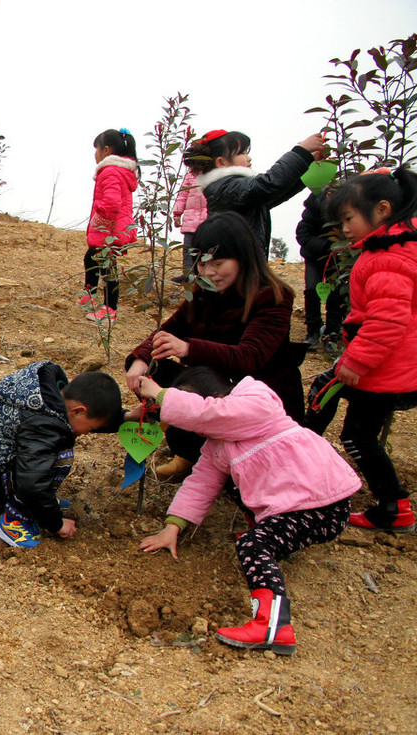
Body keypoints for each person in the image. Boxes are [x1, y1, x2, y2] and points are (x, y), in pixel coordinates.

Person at [137, 368, 360, 655]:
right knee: (240, 499)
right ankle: (275, 547)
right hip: (293, 505)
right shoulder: (219, 443)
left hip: (322, 502)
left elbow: (210, 414)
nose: (198, 428)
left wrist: (160, 395)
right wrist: (173, 526)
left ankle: (272, 626)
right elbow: (201, 483)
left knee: (253, 544)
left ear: (216, 399)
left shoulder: (256, 401)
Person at [125, 212, 304, 482]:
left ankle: (232, 464)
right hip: (213, 391)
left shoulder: (272, 297)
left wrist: (188, 349)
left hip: (259, 402)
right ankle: (191, 454)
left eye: (218, 263)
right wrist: (140, 358)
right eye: (202, 264)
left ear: (244, 257)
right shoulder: (203, 293)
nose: (208, 272)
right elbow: (168, 330)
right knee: (155, 370)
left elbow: (251, 356)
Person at [321, 166, 417, 532]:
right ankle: (394, 505)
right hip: (390, 363)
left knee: (357, 436)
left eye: (348, 218)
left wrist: (356, 361)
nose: (344, 228)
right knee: (357, 432)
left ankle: (393, 507)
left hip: (385, 369)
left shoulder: (388, 258)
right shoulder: (395, 248)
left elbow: (388, 321)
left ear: (381, 210)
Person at [0, 362, 123, 548]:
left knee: (46, 455)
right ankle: (14, 520)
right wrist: (56, 523)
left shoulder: (47, 394)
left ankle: (39, 504)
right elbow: (32, 482)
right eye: (92, 428)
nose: (88, 433)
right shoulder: (43, 423)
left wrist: (127, 417)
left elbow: (88, 416)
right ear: (78, 411)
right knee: (60, 456)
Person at [184, 128, 326, 256]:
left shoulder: (230, 188)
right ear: (222, 162)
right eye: (242, 153)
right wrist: (300, 152)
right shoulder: (227, 188)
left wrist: (307, 163)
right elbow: (270, 184)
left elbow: (276, 193)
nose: (249, 157)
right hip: (240, 268)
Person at [81, 128, 139, 322]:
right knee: (91, 258)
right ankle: (90, 296)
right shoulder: (119, 171)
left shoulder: (110, 171)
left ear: (106, 150)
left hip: (109, 229)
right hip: (111, 228)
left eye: (96, 149)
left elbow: (112, 203)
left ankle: (109, 309)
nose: (94, 154)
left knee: (108, 268)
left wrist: (100, 216)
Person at [296, 190, 347, 351]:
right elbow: (302, 234)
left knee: (336, 294)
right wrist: (327, 246)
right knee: (312, 290)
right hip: (315, 257)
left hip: (338, 261)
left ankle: (331, 333)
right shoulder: (313, 208)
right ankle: (312, 331)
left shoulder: (349, 207)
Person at [171, 169, 208, 283]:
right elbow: (182, 195)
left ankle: (204, 275)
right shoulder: (191, 175)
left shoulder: (215, 172)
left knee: (206, 250)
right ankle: (188, 274)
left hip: (208, 220)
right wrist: (177, 214)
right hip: (190, 219)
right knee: (188, 249)